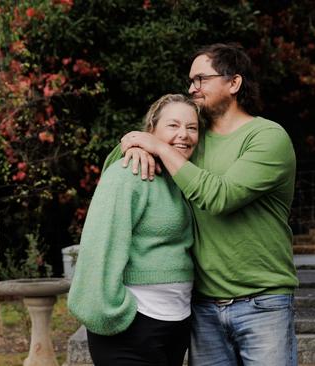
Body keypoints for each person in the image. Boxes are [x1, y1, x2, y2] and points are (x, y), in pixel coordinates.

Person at [116, 43, 299, 366]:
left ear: (234, 83)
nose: (191, 88)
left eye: (200, 79)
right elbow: (141, 145)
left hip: (263, 303)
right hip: (203, 307)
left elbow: (220, 197)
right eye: (191, 80)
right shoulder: (192, 140)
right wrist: (137, 147)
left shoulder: (268, 137)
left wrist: (156, 146)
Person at [68, 94, 201, 366]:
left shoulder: (186, 178)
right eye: (173, 125)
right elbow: (99, 243)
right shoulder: (130, 172)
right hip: (131, 327)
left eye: (192, 127)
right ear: (150, 131)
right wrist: (107, 312)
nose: (183, 135)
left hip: (176, 326)